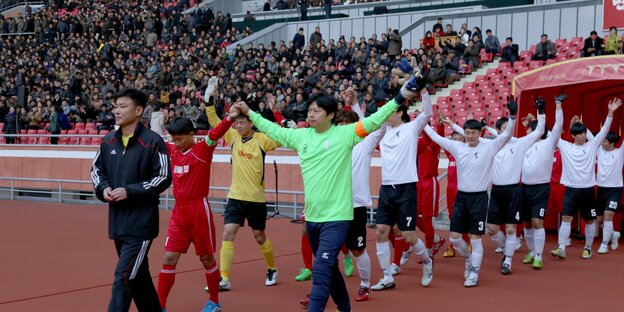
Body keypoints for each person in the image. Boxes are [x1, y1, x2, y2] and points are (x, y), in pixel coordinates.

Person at [232, 71, 424, 312]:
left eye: (316, 111)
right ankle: (345, 307)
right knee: (329, 270)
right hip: (313, 218)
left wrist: (401, 97)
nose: (311, 114)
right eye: (309, 110)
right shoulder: (300, 136)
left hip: (337, 217)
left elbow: (374, 121)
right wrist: (250, 113)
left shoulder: (345, 134)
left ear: (330, 115)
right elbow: (273, 130)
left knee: (322, 269)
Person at [91, 88, 173, 312]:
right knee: (139, 278)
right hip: (118, 223)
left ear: (138, 110)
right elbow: (97, 171)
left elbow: (163, 177)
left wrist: (130, 191)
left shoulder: (153, 142)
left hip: (141, 225)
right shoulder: (108, 141)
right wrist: (104, 188)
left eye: (123, 106)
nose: (117, 110)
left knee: (124, 277)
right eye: (115, 106)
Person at [423, 97, 517, 287]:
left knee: (475, 238)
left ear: (480, 133)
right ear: (463, 133)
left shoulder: (490, 147)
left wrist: (513, 117)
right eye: (467, 133)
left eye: (474, 133)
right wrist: (423, 122)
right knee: (456, 239)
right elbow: (436, 138)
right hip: (461, 198)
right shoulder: (457, 147)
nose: (471, 136)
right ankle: (468, 258)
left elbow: (506, 135)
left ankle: (474, 273)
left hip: (480, 198)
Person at [203, 77, 281, 291]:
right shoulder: (232, 136)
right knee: (228, 233)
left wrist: (276, 114)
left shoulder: (262, 140)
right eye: (236, 122)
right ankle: (224, 278)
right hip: (235, 197)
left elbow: (284, 137)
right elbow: (214, 121)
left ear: (251, 123)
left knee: (259, 236)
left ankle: (272, 268)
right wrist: (209, 99)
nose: (238, 125)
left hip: (255, 199)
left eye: (242, 122)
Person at [157, 112, 235, 312]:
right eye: (174, 139)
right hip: (179, 213)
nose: (177, 143)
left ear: (192, 135)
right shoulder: (173, 150)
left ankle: (214, 302)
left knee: (207, 258)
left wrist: (230, 118)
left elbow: (216, 134)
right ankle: (160, 305)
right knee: (168, 258)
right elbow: (154, 140)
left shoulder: (202, 149)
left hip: (199, 210)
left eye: (181, 139)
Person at [371, 85, 433, 291]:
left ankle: (426, 261)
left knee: (408, 235)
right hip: (387, 188)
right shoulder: (384, 131)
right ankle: (387, 275)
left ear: (399, 112)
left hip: (406, 188)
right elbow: (367, 123)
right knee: (381, 231)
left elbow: (428, 113)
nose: (386, 116)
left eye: (390, 112)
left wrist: (423, 91)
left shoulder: (412, 128)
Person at [551, 97, 622, 260]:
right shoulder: (564, 146)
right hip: (570, 190)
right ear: (574, 135)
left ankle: (588, 248)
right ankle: (561, 247)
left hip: (588, 191)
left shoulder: (592, 146)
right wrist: (558, 106)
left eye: (584, 133)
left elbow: (604, 130)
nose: (584, 136)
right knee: (567, 218)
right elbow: (556, 129)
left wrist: (611, 113)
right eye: (580, 133)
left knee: (590, 221)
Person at [482, 98, 546, 275]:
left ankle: (508, 261)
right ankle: (506, 248)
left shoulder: (520, 144)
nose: (506, 133)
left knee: (511, 228)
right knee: (492, 229)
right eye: (502, 130)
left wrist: (541, 112)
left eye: (507, 130)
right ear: (498, 132)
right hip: (496, 191)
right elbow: (468, 136)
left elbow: (540, 130)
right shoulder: (491, 145)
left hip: (513, 191)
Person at [521, 95, 564, 270]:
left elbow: (558, 125)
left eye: (528, 130)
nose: (526, 132)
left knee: (538, 221)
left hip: (541, 189)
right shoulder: (524, 144)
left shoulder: (548, 143)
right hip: (524, 189)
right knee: (527, 222)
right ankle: (532, 251)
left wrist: (554, 107)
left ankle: (539, 256)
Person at [595, 130, 624, 254]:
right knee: (600, 219)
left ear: (612, 143)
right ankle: (614, 234)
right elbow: (592, 137)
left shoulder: (620, 153)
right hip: (601, 189)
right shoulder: (599, 150)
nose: (602, 142)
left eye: (605, 141)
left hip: (615, 190)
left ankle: (604, 244)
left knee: (608, 215)